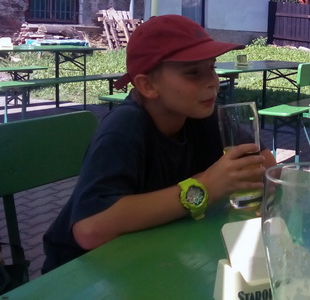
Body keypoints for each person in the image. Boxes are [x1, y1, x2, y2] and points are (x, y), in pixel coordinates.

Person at [42, 14, 276, 272]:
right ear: (148, 85)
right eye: (193, 73)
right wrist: (205, 188)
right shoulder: (124, 128)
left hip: (155, 257)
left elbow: (267, 165)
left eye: (212, 67)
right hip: (83, 274)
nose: (212, 82)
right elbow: (89, 230)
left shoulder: (201, 115)